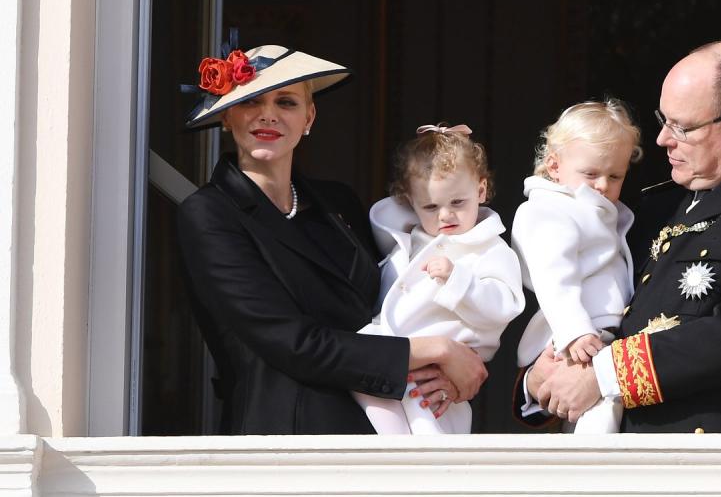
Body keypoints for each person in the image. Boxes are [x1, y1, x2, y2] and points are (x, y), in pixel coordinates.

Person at [178, 43, 487, 435]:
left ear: (309, 116)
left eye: (286, 102)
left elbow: (405, 294)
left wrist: (450, 361)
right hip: (288, 439)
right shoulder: (209, 214)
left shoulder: (337, 202)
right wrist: (436, 350)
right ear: (227, 117)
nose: (267, 114)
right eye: (251, 100)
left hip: (391, 422)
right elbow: (291, 342)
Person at [519, 41, 721, 433]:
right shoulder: (649, 208)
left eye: (683, 127)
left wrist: (604, 375)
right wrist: (538, 379)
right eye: (664, 120)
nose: (662, 139)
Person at [352, 123, 525, 434]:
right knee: (359, 367)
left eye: (458, 202)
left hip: (437, 373)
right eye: (431, 206)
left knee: (429, 436)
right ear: (411, 203)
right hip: (393, 353)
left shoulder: (490, 248)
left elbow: (506, 305)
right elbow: (386, 213)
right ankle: (390, 452)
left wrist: (458, 280)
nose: (445, 215)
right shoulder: (409, 238)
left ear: (481, 191)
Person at [511, 100, 642, 434]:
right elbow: (554, 275)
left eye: (615, 176)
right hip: (577, 333)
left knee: (598, 412)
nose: (602, 185)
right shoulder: (548, 210)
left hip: (600, 335)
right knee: (596, 419)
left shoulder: (597, 209)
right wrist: (574, 329)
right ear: (555, 166)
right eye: (590, 174)